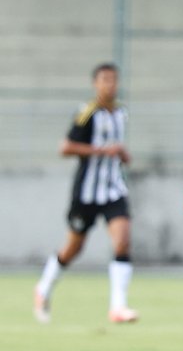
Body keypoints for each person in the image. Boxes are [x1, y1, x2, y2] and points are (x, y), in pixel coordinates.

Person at [34, 63, 139, 325]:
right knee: (73, 248)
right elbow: (66, 147)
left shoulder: (121, 112)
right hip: (86, 193)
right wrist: (102, 150)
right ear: (95, 84)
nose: (110, 85)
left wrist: (122, 155)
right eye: (104, 80)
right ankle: (44, 288)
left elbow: (116, 149)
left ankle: (118, 307)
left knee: (123, 240)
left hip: (113, 189)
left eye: (113, 80)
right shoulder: (87, 113)